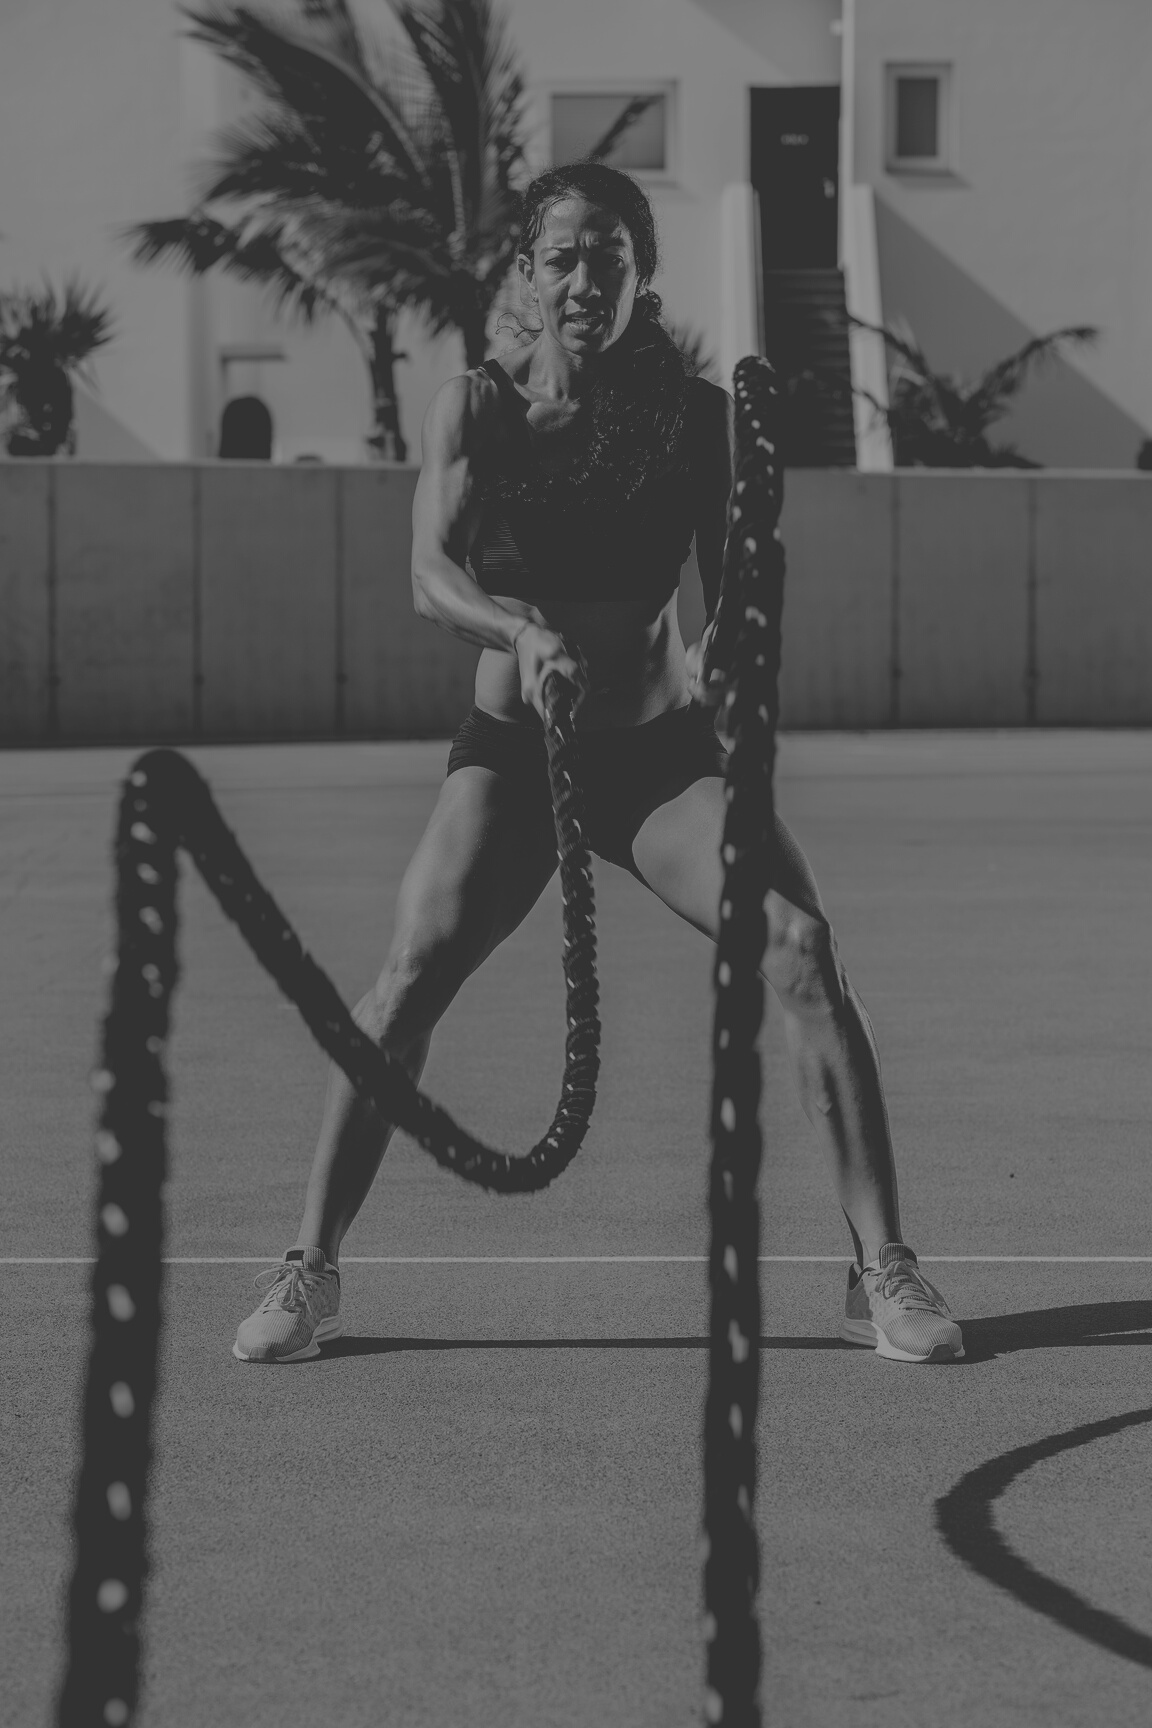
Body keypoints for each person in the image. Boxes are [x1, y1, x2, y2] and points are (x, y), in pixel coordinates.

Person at [233, 162, 963, 1367]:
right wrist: (520, 631)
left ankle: (883, 1269)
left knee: (800, 946)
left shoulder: (698, 416)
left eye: (610, 257)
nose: (585, 279)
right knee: (408, 975)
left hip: (662, 760)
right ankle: (309, 1269)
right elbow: (430, 574)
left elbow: (733, 608)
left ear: (642, 275)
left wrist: (737, 643)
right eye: (562, 256)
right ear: (526, 270)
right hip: (516, 757)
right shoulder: (476, 407)